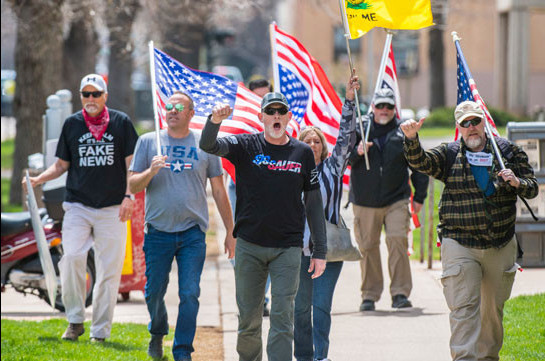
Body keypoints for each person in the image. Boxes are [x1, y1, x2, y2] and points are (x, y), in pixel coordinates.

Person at [400, 100, 538, 361]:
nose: (471, 127)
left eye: (475, 121)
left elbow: (533, 187)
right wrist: (412, 139)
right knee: (464, 309)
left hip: (500, 242)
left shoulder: (508, 152)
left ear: (483, 121)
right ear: (459, 127)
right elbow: (421, 162)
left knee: (492, 313)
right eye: (465, 123)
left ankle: (488, 357)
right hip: (459, 242)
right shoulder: (449, 154)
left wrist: (517, 181)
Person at [200, 92, 327, 361]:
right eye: (271, 111)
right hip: (250, 245)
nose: (276, 116)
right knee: (248, 320)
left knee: (282, 318)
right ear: (261, 117)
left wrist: (320, 250)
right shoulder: (245, 145)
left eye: (281, 111)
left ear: (289, 117)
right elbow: (208, 145)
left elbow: (314, 203)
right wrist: (214, 121)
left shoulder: (302, 152)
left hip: (287, 249)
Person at [25, 74, 139, 342]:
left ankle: (100, 333)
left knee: (108, 272)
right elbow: (62, 165)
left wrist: (128, 195)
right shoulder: (72, 124)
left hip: (113, 208)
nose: (90, 99)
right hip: (77, 205)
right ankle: (75, 320)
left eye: (95, 94)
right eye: (85, 94)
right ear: (81, 97)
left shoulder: (121, 123)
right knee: (72, 258)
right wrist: (39, 178)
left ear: (105, 96)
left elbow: (131, 164)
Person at [128, 91, 236, 361]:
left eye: (179, 107)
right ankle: (157, 331)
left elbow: (220, 191)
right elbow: (132, 185)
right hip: (158, 231)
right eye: (169, 106)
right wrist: (150, 171)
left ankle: (182, 350)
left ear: (190, 114)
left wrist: (231, 232)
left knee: (189, 293)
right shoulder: (148, 141)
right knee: (153, 292)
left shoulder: (205, 144)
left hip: (192, 233)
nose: (172, 110)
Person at [294, 72, 359, 361]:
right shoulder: (289, 172)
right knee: (299, 308)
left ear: (323, 146)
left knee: (320, 307)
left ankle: (321, 357)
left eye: (316, 140)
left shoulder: (332, 168)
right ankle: (303, 357)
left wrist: (349, 101)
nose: (312, 144)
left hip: (328, 249)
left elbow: (346, 136)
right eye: (306, 140)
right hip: (297, 250)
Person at [348, 88, 428, 311]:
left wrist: (419, 196)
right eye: (380, 106)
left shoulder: (405, 131)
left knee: (397, 241)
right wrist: (358, 152)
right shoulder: (360, 128)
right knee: (367, 246)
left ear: (395, 108)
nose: (384, 110)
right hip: (364, 200)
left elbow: (419, 164)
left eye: (389, 106)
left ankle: (400, 293)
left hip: (397, 199)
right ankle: (370, 295)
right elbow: (343, 157)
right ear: (373, 107)